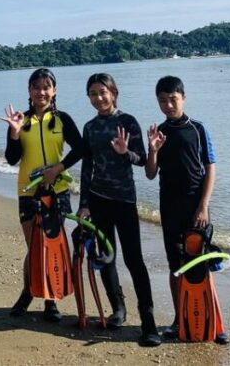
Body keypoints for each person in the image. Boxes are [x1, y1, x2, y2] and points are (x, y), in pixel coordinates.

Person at [77, 72, 161, 347]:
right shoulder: (89, 128)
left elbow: (143, 160)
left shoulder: (127, 122)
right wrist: (84, 205)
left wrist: (126, 152)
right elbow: (87, 167)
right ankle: (118, 309)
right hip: (98, 199)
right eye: (93, 94)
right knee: (105, 256)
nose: (99, 98)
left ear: (114, 93)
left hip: (124, 200)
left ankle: (148, 321)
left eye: (103, 92)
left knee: (134, 259)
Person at [144, 75, 228, 344]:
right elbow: (150, 173)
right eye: (162, 100)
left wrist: (203, 206)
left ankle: (214, 322)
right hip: (169, 207)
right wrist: (153, 150)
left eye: (173, 99)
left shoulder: (198, 129)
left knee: (202, 264)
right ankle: (180, 319)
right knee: (176, 266)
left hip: (196, 206)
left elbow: (211, 168)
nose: (168, 105)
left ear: (183, 98)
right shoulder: (159, 133)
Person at [0, 67, 83, 322]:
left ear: (54, 90)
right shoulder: (20, 119)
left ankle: (51, 299)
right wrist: (14, 132)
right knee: (33, 246)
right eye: (36, 87)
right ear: (29, 91)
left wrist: (58, 169)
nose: (41, 92)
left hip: (57, 191)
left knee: (53, 246)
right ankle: (27, 293)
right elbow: (11, 159)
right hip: (28, 191)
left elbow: (80, 149)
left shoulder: (62, 120)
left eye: (46, 87)